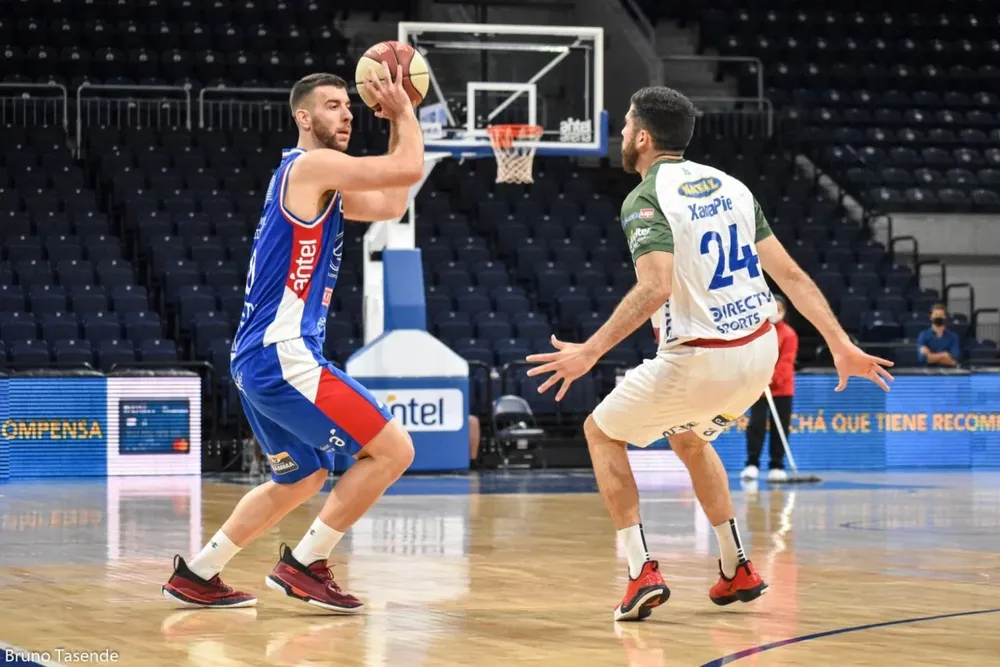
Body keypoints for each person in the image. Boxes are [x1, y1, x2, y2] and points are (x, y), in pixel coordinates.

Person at [525, 86, 893, 621]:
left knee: (601, 432)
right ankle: (735, 565)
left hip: (700, 357)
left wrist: (590, 351)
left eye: (627, 126)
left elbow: (654, 287)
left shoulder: (645, 198)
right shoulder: (732, 186)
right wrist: (839, 342)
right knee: (689, 438)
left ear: (644, 137)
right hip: (758, 356)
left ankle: (640, 571)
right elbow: (788, 274)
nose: (623, 135)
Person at [162, 66, 425, 611]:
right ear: (303, 117)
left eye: (348, 106)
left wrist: (404, 119)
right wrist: (403, 111)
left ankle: (198, 573)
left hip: (256, 358)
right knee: (394, 451)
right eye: (333, 105)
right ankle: (305, 565)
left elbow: (395, 202)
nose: (347, 112)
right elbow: (408, 165)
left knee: (302, 478)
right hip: (283, 356)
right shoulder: (311, 165)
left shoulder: (320, 185)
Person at [742, 294, 798, 482]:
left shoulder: (789, 334)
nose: (775, 312)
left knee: (779, 426)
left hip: (782, 389)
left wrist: (772, 379)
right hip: (759, 389)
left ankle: (777, 465)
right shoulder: (757, 332)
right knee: (756, 425)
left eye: (779, 309)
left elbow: (786, 362)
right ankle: (752, 463)